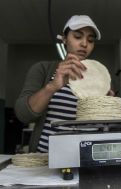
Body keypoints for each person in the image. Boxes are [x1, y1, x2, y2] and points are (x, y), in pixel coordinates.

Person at [15, 15, 113, 153]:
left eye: (90, 40)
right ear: (65, 39)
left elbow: (104, 126)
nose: (84, 44)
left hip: (87, 159)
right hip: (46, 160)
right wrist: (52, 87)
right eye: (78, 37)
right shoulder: (43, 69)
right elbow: (23, 115)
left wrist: (108, 109)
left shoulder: (100, 79)